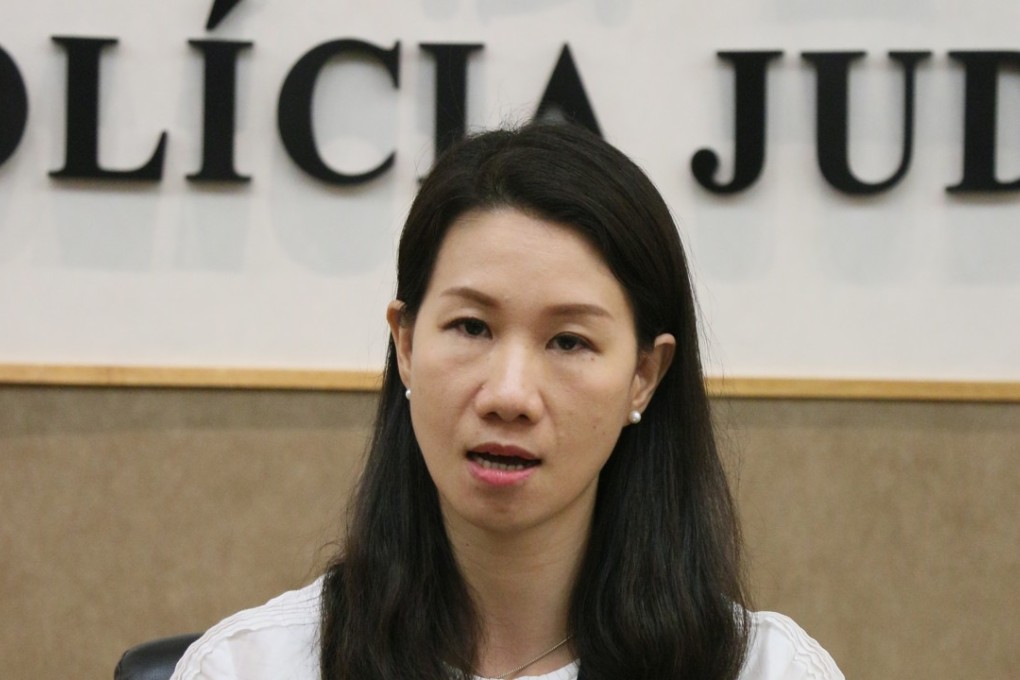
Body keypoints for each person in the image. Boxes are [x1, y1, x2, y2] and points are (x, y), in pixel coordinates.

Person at [171, 123, 844, 680]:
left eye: (570, 341)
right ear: (405, 344)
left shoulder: (765, 670)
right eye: (471, 327)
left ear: (644, 374)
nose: (510, 395)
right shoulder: (251, 667)